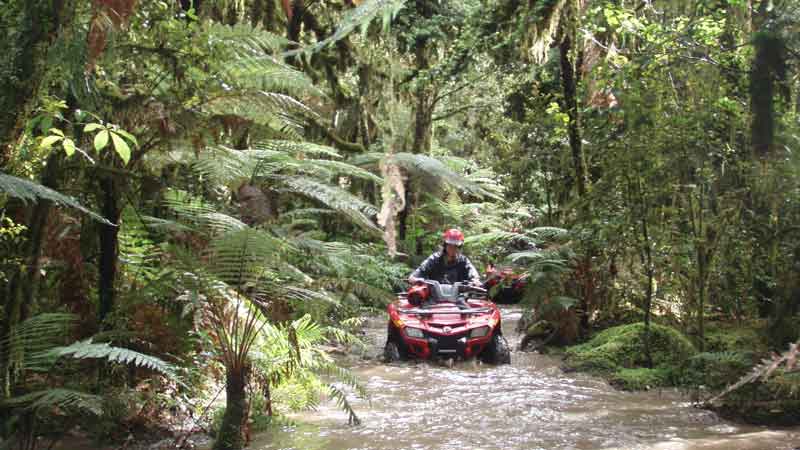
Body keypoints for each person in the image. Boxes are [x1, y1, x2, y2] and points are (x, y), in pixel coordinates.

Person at [408, 228, 481, 286]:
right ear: (445, 245)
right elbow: (416, 274)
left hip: (458, 298)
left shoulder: (463, 261)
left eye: (456, 246)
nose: (452, 248)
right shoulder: (434, 259)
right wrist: (415, 279)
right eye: (450, 245)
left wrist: (475, 280)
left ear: (460, 247)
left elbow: (473, 274)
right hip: (434, 298)